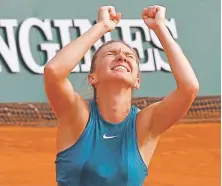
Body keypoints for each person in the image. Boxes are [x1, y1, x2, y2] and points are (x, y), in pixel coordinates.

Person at [44, 5, 199, 186]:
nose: (121, 58)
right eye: (111, 54)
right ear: (92, 77)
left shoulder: (145, 124)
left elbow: (189, 87)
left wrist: (160, 28)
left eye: (129, 56)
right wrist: (101, 26)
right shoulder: (77, 115)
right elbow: (53, 71)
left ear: (137, 81)